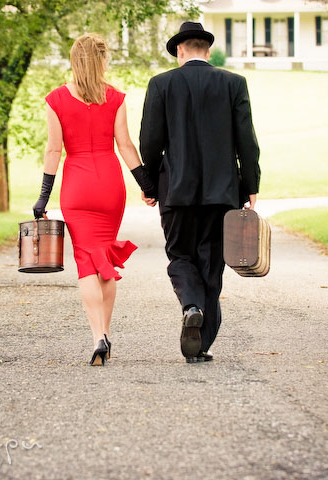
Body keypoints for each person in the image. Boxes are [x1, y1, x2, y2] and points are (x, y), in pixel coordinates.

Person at [139, 22, 260, 363]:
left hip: (175, 190)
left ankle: (191, 306)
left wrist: (149, 185)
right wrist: (250, 185)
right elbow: (246, 141)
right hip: (223, 193)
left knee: (180, 256)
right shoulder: (234, 83)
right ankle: (201, 345)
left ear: (179, 50)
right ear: (207, 51)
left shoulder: (161, 84)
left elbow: (150, 140)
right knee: (211, 264)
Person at [32, 34, 156, 366]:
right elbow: (126, 146)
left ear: (74, 61)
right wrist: (147, 184)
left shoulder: (56, 99)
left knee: (86, 262)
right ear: (102, 60)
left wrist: (43, 197)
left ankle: (98, 336)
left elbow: (54, 150)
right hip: (109, 185)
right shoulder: (114, 98)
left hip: (77, 186)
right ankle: (107, 333)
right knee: (105, 261)